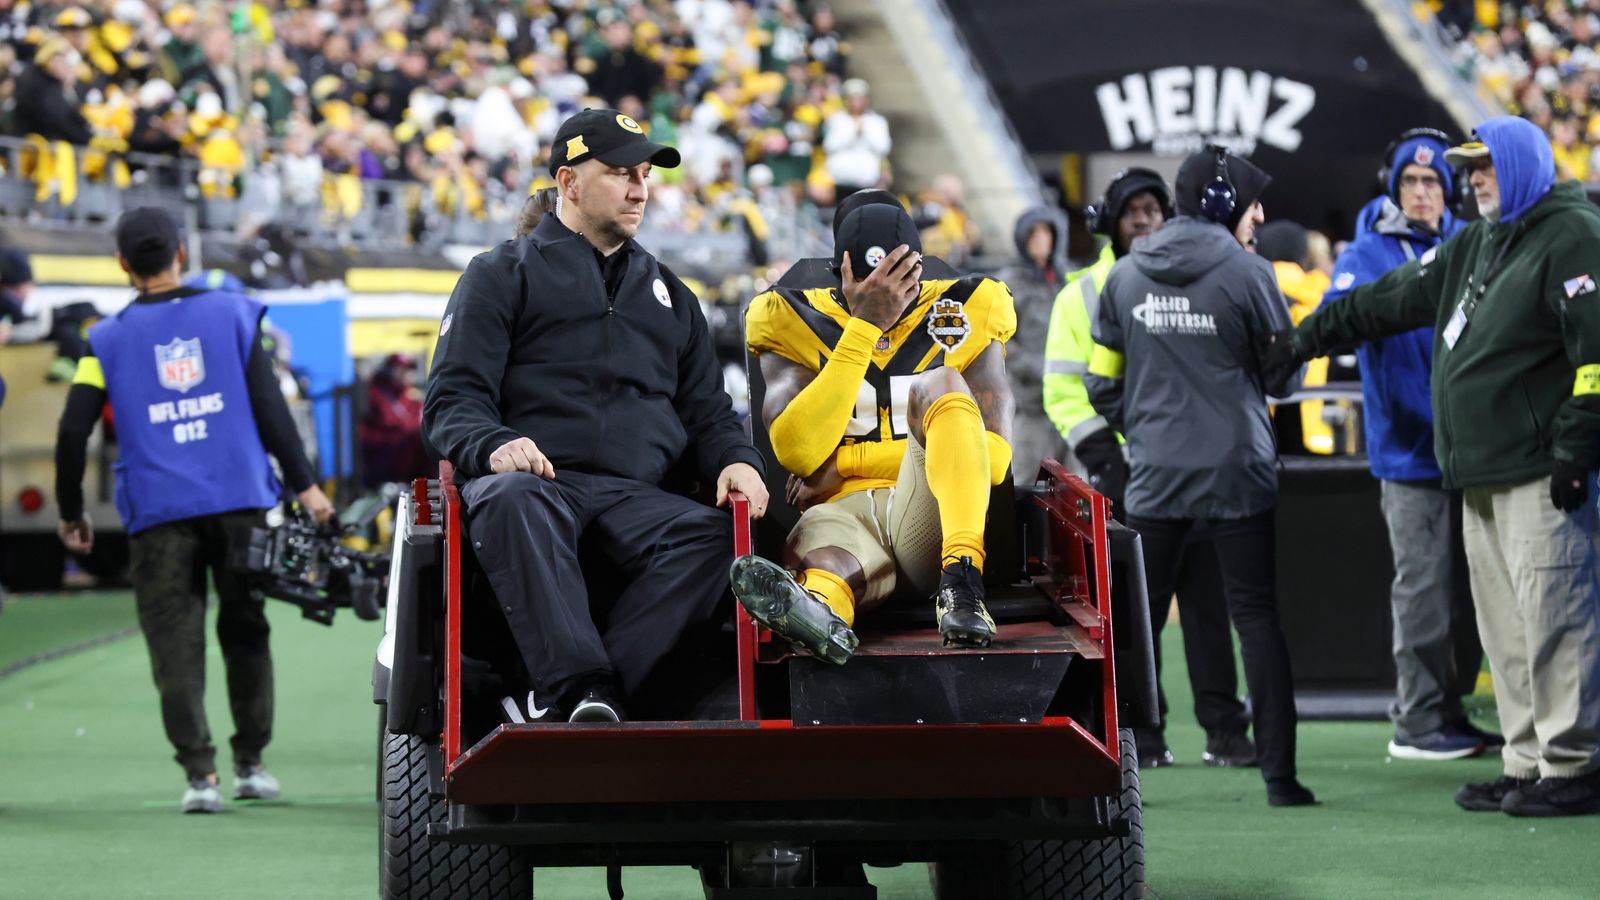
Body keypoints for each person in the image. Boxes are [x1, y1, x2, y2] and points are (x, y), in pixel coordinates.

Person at [1266, 116, 1600, 817]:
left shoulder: (1573, 234)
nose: (1471, 180)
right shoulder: (1478, 241)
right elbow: (1386, 299)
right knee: (1507, 630)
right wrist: (1303, 339)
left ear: (1521, 166)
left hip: (1541, 472)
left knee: (1556, 622)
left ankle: (1575, 766)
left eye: (1485, 166)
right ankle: (1527, 762)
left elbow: (1596, 355)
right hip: (1478, 472)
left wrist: (1577, 447)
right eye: (1468, 169)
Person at [423, 109, 768, 726]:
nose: (639, 189)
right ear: (569, 181)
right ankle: (582, 688)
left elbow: (710, 415)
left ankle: (580, 699)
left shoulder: (673, 296)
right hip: (536, 483)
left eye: (644, 175)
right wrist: (493, 442)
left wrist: (738, 460)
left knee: (717, 536)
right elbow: (452, 400)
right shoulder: (499, 274)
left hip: (635, 496)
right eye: (620, 173)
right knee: (510, 498)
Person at [53, 207, 334, 815]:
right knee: (245, 627)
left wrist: (71, 509)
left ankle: (200, 775)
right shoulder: (235, 314)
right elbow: (270, 407)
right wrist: (306, 486)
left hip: (158, 511)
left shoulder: (104, 339)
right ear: (181, 253)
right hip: (241, 501)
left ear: (123, 263)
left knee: (173, 643)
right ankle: (251, 764)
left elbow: (73, 431)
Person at [1087, 146, 1314, 807]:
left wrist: (1147, 429)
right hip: (1238, 472)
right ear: (1221, 203)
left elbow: (1101, 382)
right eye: (1252, 201)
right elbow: (1285, 379)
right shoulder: (1251, 273)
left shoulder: (1124, 275)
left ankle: (1117, 782)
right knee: (1257, 618)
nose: (1260, 214)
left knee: (1135, 628)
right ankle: (1280, 779)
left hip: (1155, 474)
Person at [731, 201, 1016, 660]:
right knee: (827, 563)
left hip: (933, 517)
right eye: (868, 284)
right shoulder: (791, 314)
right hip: (843, 514)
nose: (884, 293)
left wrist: (845, 462)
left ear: (918, 270)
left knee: (942, 382)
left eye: (897, 278)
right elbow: (797, 452)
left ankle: (962, 586)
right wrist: (864, 326)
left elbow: (995, 461)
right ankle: (822, 615)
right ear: (839, 274)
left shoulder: (967, 307)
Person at [1045, 168, 1254, 770]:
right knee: (1138, 612)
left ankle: (1225, 731)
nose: (1143, 220)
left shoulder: (1195, 277)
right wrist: (1109, 459)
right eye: (1131, 210)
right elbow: (1062, 390)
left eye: (1154, 210)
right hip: (1125, 477)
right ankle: (1145, 735)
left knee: (1208, 606)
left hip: (1194, 468)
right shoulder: (1080, 294)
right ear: (1108, 222)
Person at [1320, 128, 1499, 762]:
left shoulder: (1471, 239)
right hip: (1409, 453)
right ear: (1393, 187)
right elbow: (1337, 321)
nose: (1421, 192)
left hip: (1473, 452)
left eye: (1431, 182)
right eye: (1410, 181)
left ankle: (1448, 710)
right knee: (1423, 590)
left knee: (1475, 594)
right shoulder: (1368, 251)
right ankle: (1418, 719)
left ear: (1449, 190)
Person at [998, 204, 1068, 482]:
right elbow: (1000, 338)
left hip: (1067, 401)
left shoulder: (1065, 279)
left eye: (1045, 232)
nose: (1040, 239)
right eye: (1033, 234)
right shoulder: (1010, 282)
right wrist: (1035, 368)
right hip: (1031, 402)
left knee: (1074, 484)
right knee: (1027, 479)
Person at [358, 353, 427, 487]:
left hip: (408, 464)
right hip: (381, 464)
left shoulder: (412, 398)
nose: (406, 373)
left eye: (409, 369)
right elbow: (371, 430)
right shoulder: (374, 394)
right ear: (389, 370)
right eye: (401, 368)